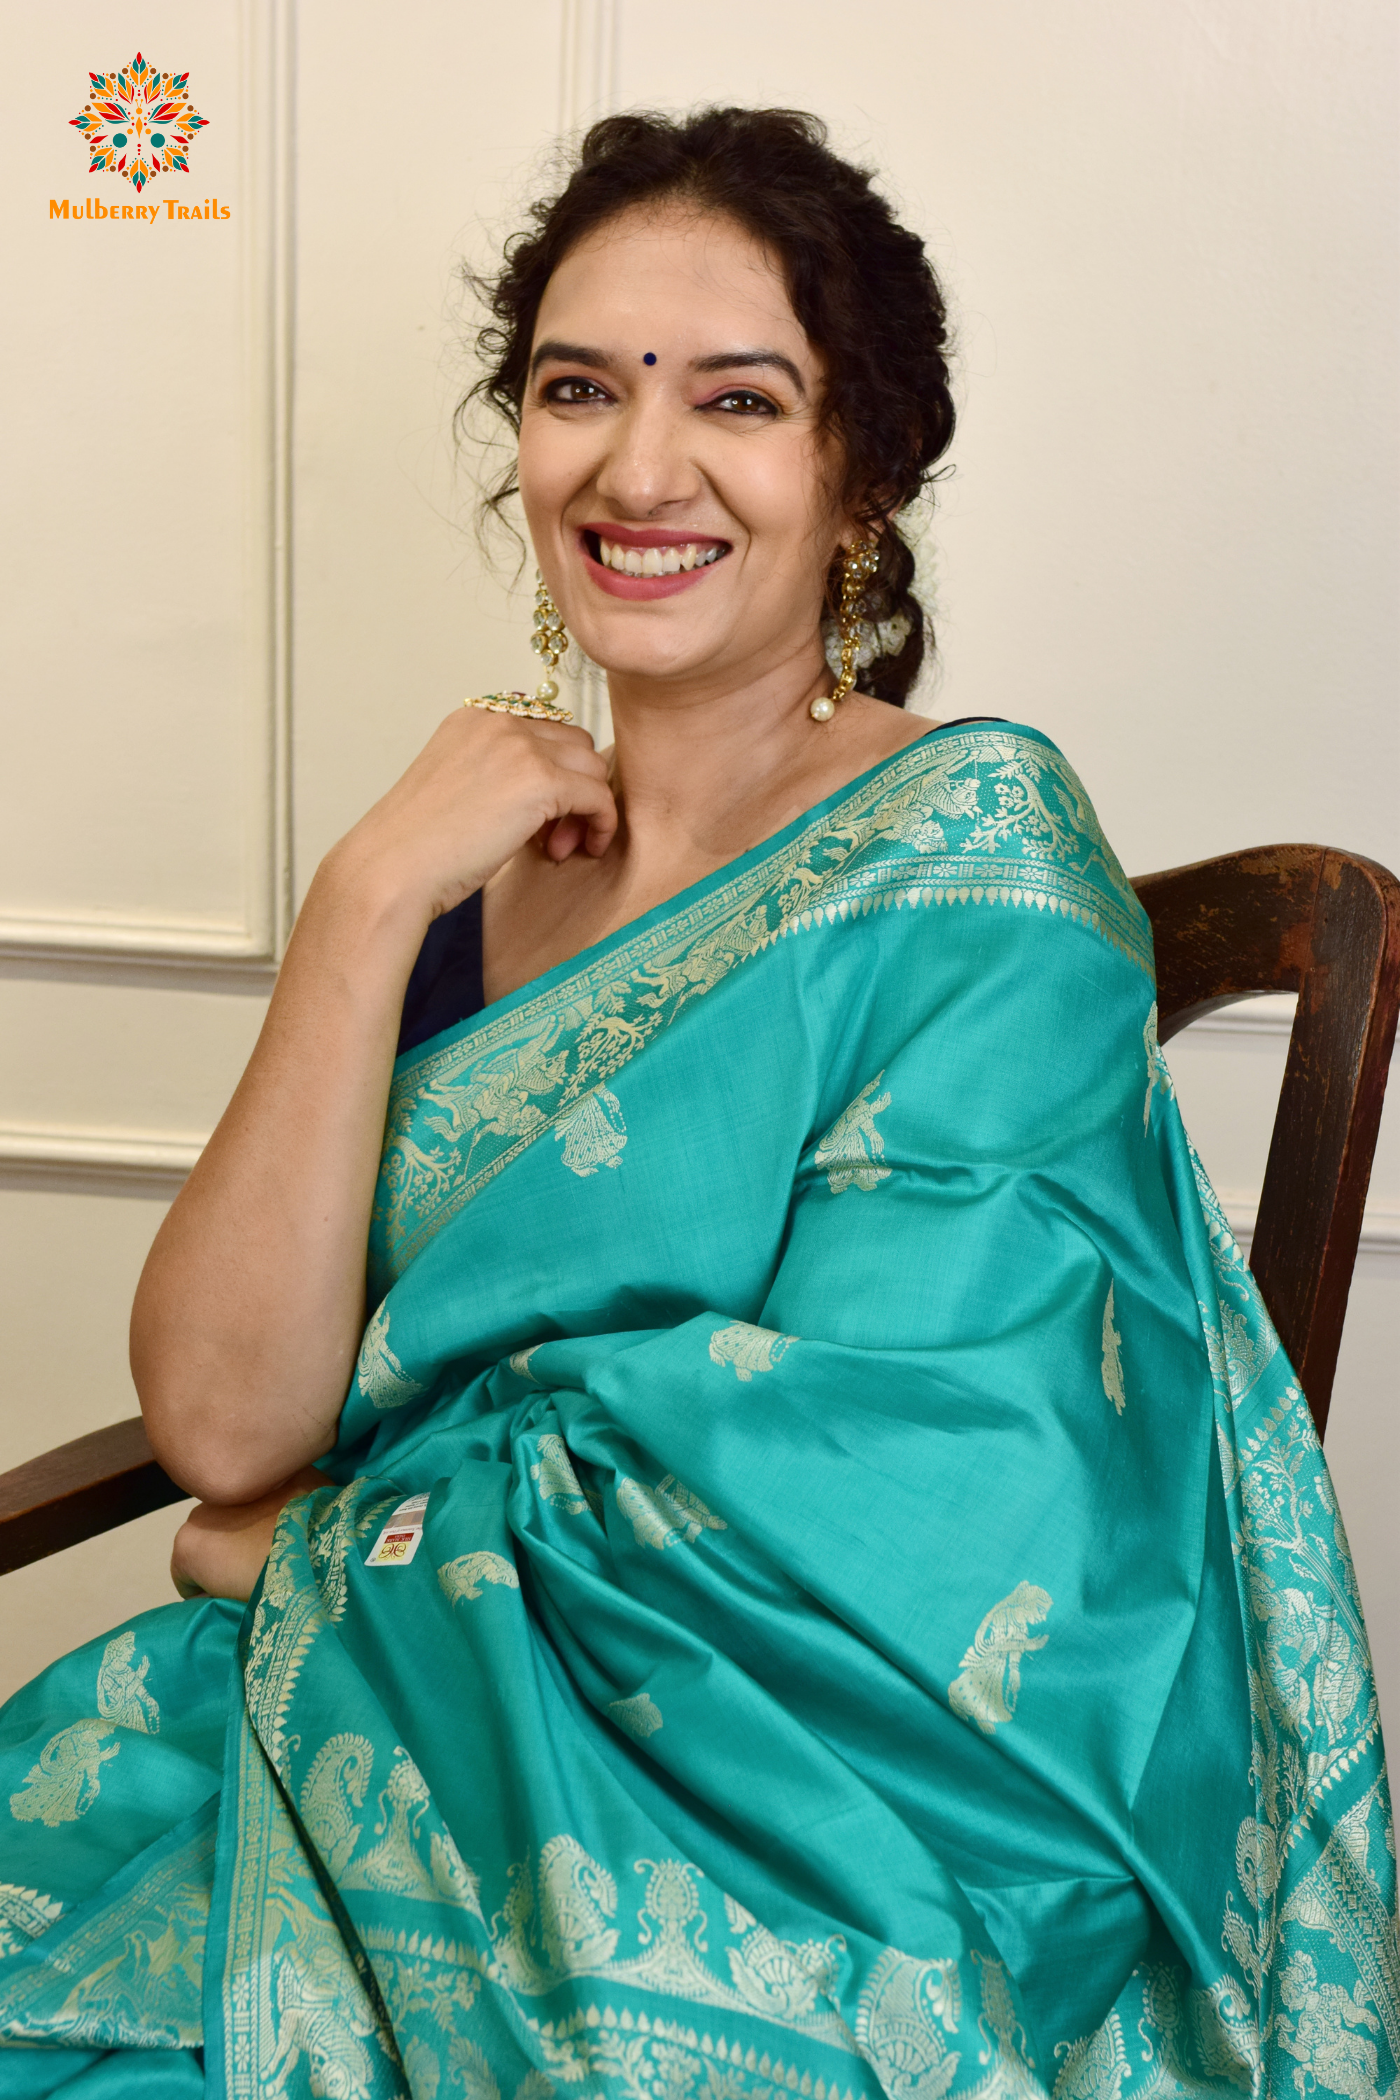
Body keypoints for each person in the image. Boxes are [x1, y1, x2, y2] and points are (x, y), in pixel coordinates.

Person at [0, 105, 1394, 2100]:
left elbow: (906, 1505)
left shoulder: (975, 863)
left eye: (735, 400)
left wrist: (318, 1555)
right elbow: (227, 1419)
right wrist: (364, 899)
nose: (639, 469)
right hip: (352, 1743)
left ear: (862, 471)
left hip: (805, 1847)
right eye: (578, 390)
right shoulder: (468, 867)